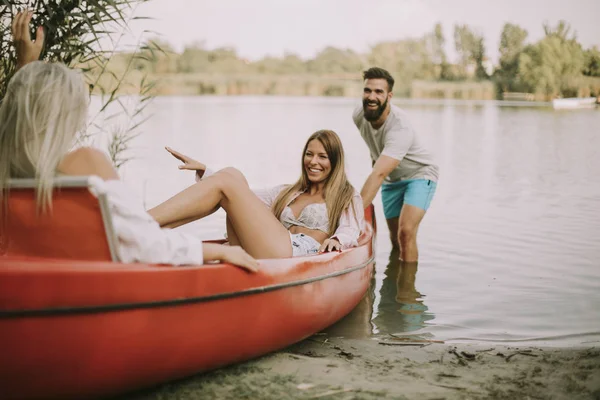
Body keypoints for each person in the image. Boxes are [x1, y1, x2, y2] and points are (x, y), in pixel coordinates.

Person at [0, 10, 258, 271]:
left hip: (36, 285)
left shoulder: (10, 171)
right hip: (99, 288)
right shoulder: (85, 162)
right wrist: (212, 250)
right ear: (66, 116)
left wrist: (26, 70)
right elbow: (144, 242)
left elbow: (21, 119)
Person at [148, 129, 365, 259]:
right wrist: (206, 171)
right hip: (272, 248)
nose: (313, 162)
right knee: (231, 175)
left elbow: (351, 229)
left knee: (230, 177)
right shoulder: (287, 192)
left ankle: (137, 224)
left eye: (322, 156)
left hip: (300, 253)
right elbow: (241, 195)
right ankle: (145, 228)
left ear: (335, 161)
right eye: (309, 154)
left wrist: (338, 239)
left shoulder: (346, 195)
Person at [353, 67, 439, 262]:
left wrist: (351, 217)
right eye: (368, 90)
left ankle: (407, 292)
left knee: (406, 232)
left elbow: (378, 174)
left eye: (378, 92)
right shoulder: (359, 115)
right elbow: (375, 148)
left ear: (389, 96)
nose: (371, 96)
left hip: (419, 175)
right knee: (395, 240)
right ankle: (395, 279)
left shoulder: (400, 127)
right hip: (391, 180)